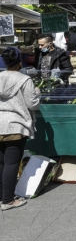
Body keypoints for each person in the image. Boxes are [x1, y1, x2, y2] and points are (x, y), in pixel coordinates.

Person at [0, 47, 40, 210]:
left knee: (1, 162)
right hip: (16, 125)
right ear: (19, 61)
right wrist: (37, 94)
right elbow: (32, 104)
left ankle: (2, 195)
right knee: (11, 163)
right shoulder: (24, 80)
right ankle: (8, 200)